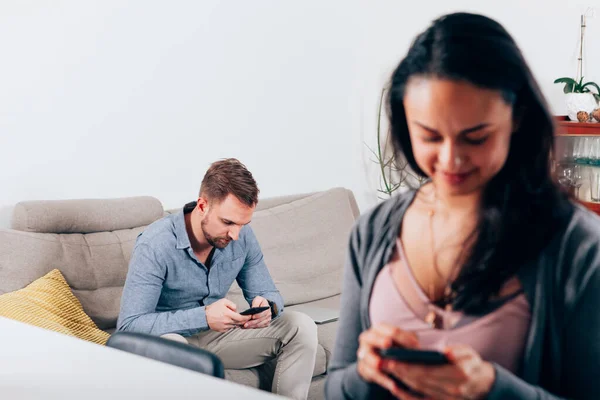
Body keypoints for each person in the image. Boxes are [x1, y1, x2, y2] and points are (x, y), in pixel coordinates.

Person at [325, 12, 600, 400]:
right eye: (430, 136)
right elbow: (336, 387)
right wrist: (366, 373)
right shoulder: (372, 232)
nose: (451, 160)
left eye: (476, 136)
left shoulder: (577, 246)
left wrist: (492, 388)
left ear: (517, 118)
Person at [117, 158, 318, 400]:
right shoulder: (155, 244)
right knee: (176, 348)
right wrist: (204, 316)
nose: (235, 234)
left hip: (220, 337)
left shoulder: (242, 236)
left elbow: (268, 292)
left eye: (243, 224)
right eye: (228, 222)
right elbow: (130, 325)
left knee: (300, 326)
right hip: (172, 338)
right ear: (202, 205)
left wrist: (268, 307)